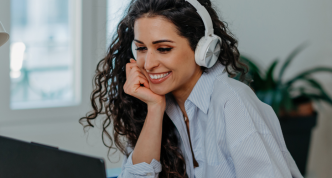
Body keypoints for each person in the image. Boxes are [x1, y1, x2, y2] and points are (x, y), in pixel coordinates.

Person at [80, 0, 303, 177]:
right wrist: (155, 109)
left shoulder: (232, 102)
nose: (148, 64)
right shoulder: (161, 103)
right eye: (141, 48)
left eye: (164, 49)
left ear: (203, 49)